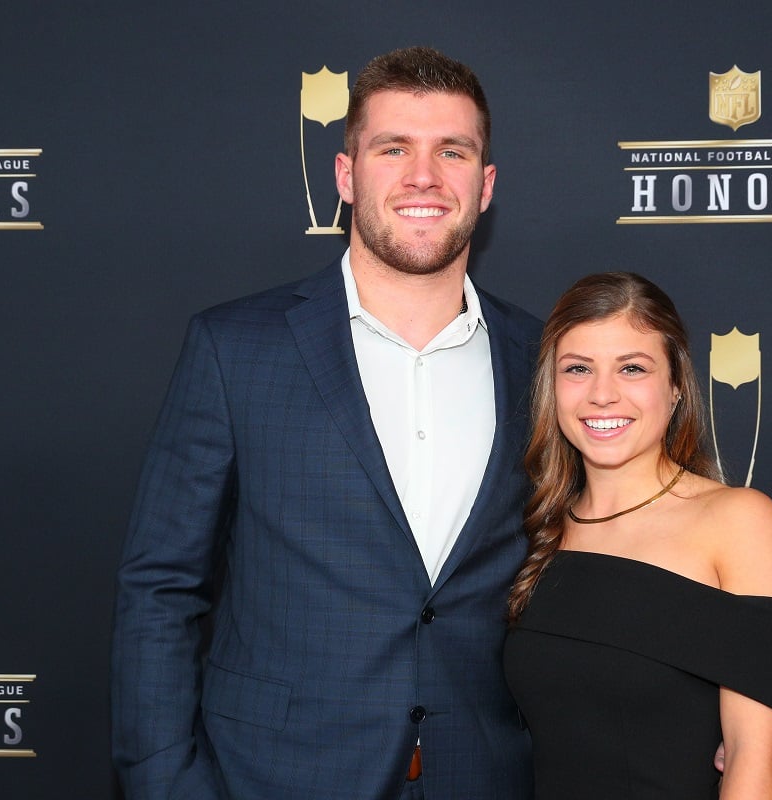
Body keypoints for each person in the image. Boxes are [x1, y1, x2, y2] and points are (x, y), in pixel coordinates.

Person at [111, 47, 540, 800]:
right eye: (393, 149)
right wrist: (163, 782)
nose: (423, 177)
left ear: (486, 183)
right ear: (345, 176)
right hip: (272, 777)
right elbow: (160, 587)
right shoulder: (235, 347)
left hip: (483, 776)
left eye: (453, 151)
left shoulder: (541, 360)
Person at [503, 272, 772, 800]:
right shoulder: (535, 530)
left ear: (676, 386)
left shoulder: (738, 522)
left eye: (632, 368)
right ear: (552, 388)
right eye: (578, 369)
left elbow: (759, 763)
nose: (602, 395)